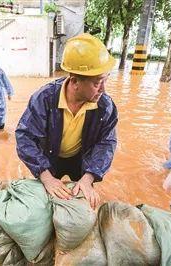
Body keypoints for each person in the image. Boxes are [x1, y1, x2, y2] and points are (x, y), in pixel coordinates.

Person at [15, 33, 118, 209]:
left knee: (81, 201)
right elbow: (25, 137)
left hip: (81, 159)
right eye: (97, 83)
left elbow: (106, 144)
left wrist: (88, 177)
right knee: (44, 203)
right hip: (49, 157)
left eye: (105, 80)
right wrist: (46, 178)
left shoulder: (105, 107)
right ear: (75, 81)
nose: (103, 89)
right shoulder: (44, 99)